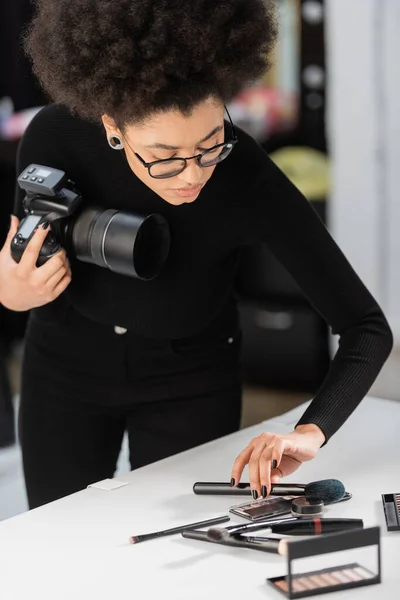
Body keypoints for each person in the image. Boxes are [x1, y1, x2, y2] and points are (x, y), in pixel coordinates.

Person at [0, 0, 392, 509]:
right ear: (113, 128)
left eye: (211, 145)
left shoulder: (244, 171)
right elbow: (19, 263)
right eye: (162, 158)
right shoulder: (55, 137)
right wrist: (11, 294)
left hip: (192, 383)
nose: (191, 175)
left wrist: (312, 430)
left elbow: (366, 327)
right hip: (63, 370)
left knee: (180, 547)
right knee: (59, 544)